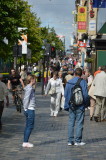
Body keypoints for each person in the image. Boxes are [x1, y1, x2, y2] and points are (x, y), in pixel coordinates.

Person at [64, 68, 89, 146]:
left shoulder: (69, 82)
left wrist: (68, 104)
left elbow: (66, 95)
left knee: (71, 123)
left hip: (71, 105)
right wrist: (85, 104)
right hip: (80, 105)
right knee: (79, 123)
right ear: (81, 74)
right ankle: (78, 141)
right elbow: (85, 95)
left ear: (74, 74)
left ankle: (70, 141)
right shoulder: (83, 82)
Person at [22, 75, 36, 148]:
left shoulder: (28, 87)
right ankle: (25, 142)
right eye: (34, 79)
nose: (35, 80)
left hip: (29, 108)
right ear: (32, 80)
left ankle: (25, 141)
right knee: (30, 126)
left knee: (28, 126)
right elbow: (26, 98)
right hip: (30, 109)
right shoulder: (29, 88)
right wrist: (25, 108)